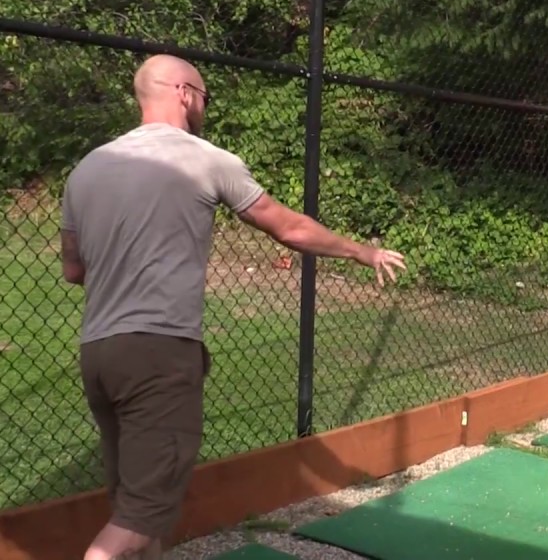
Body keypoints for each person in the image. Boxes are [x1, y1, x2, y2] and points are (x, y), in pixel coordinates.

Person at [59, 55, 407, 560]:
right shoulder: (205, 158)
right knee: (134, 523)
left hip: (99, 353)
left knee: (142, 506)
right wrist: (362, 250)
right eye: (204, 95)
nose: (204, 106)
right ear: (182, 92)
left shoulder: (86, 169)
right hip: (161, 352)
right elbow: (287, 227)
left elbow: (74, 270)